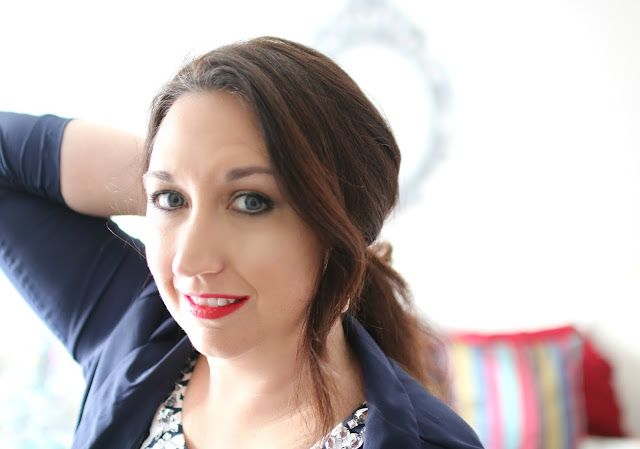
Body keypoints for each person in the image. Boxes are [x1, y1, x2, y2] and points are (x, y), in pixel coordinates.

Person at [0, 37, 483, 449]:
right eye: (171, 200)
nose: (190, 261)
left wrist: (188, 183)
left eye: (251, 202)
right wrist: (171, 176)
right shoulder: (137, 330)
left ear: (341, 224)